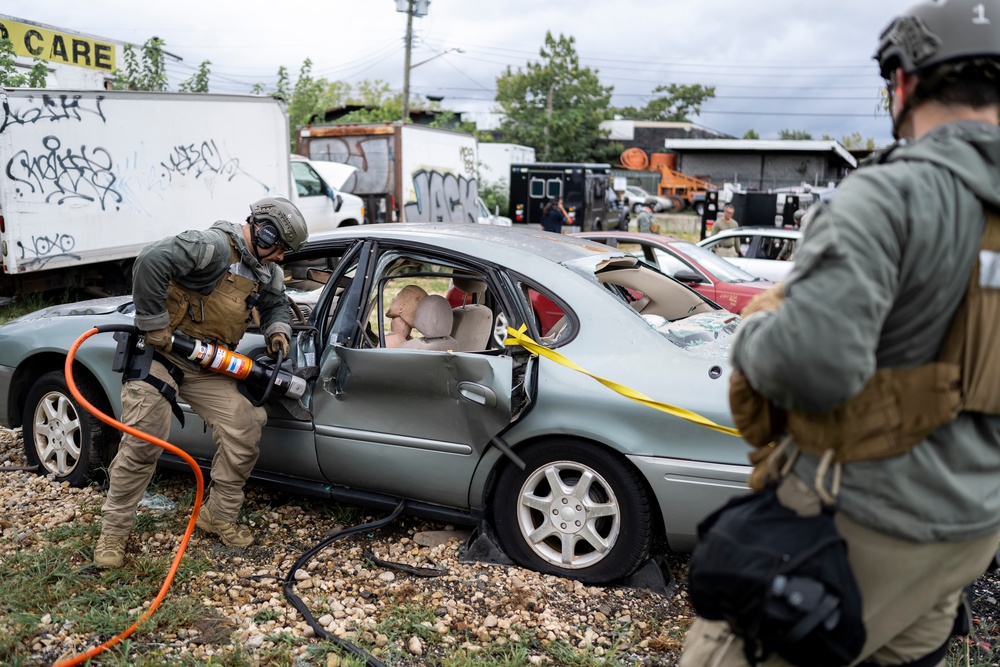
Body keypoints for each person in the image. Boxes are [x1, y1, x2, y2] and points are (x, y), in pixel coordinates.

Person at [681, 1, 1000, 665]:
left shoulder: (889, 196)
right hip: (971, 528)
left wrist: (755, 330)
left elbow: (813, 366)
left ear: (904, 84)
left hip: (858, 521)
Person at [93, 196, 309, 568]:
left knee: (245, 424)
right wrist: (154, 322)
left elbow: (275, 303)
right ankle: (113, 533)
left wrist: (277, 329)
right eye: (280, 249)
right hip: (160, 355)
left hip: (207, 363)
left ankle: (218, 516)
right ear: (265, 231)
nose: (281, 259)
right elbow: (150, 261)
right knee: (145, 440)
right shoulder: (210, 247)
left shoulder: (266, 270)